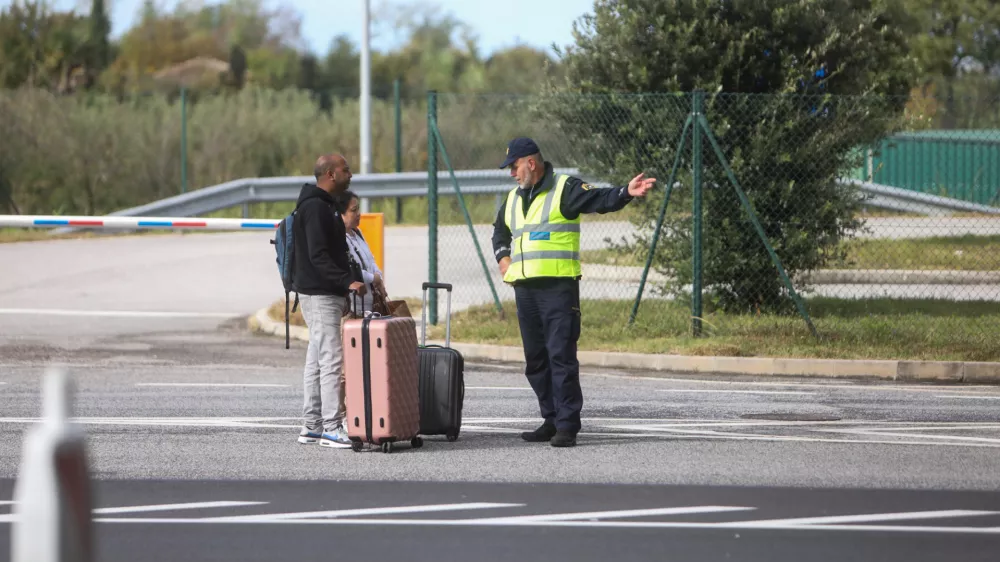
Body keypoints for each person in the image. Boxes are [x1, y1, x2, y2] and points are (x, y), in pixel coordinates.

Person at [491, 137, 656, 448]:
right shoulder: (513, 198)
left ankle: (567, 425)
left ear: (531, 163)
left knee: (561, 357)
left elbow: (597, 200)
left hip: (558, 289)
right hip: (525, 290)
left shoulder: (564, 189)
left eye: (514, 167)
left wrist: (625, 193)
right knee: (536, 359)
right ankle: (551, 419)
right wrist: (503, 258)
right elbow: (500, 230)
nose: (511, 173)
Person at [294, 153, 366, 449]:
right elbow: (318, 255)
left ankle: (312, 426)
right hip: (319, 293)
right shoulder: (315, 209)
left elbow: (334, 253)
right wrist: (345, 281)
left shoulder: (325, 208)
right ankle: (331, 428)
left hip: (325, 293)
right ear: (330, 175)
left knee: (317, 358)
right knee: (331, 359)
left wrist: (343, 289)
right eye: (345, 170)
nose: (351, 174)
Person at [338, 189, 387, 316]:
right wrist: (374, 278)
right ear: (341, 214)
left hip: (370, 304)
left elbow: (371, 260)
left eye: (358, 209)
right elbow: (350, 269)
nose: (359, 214)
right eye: (353, 210)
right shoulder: (338, 238)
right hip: (354, 307)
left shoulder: (357, 233)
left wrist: (378, 277)